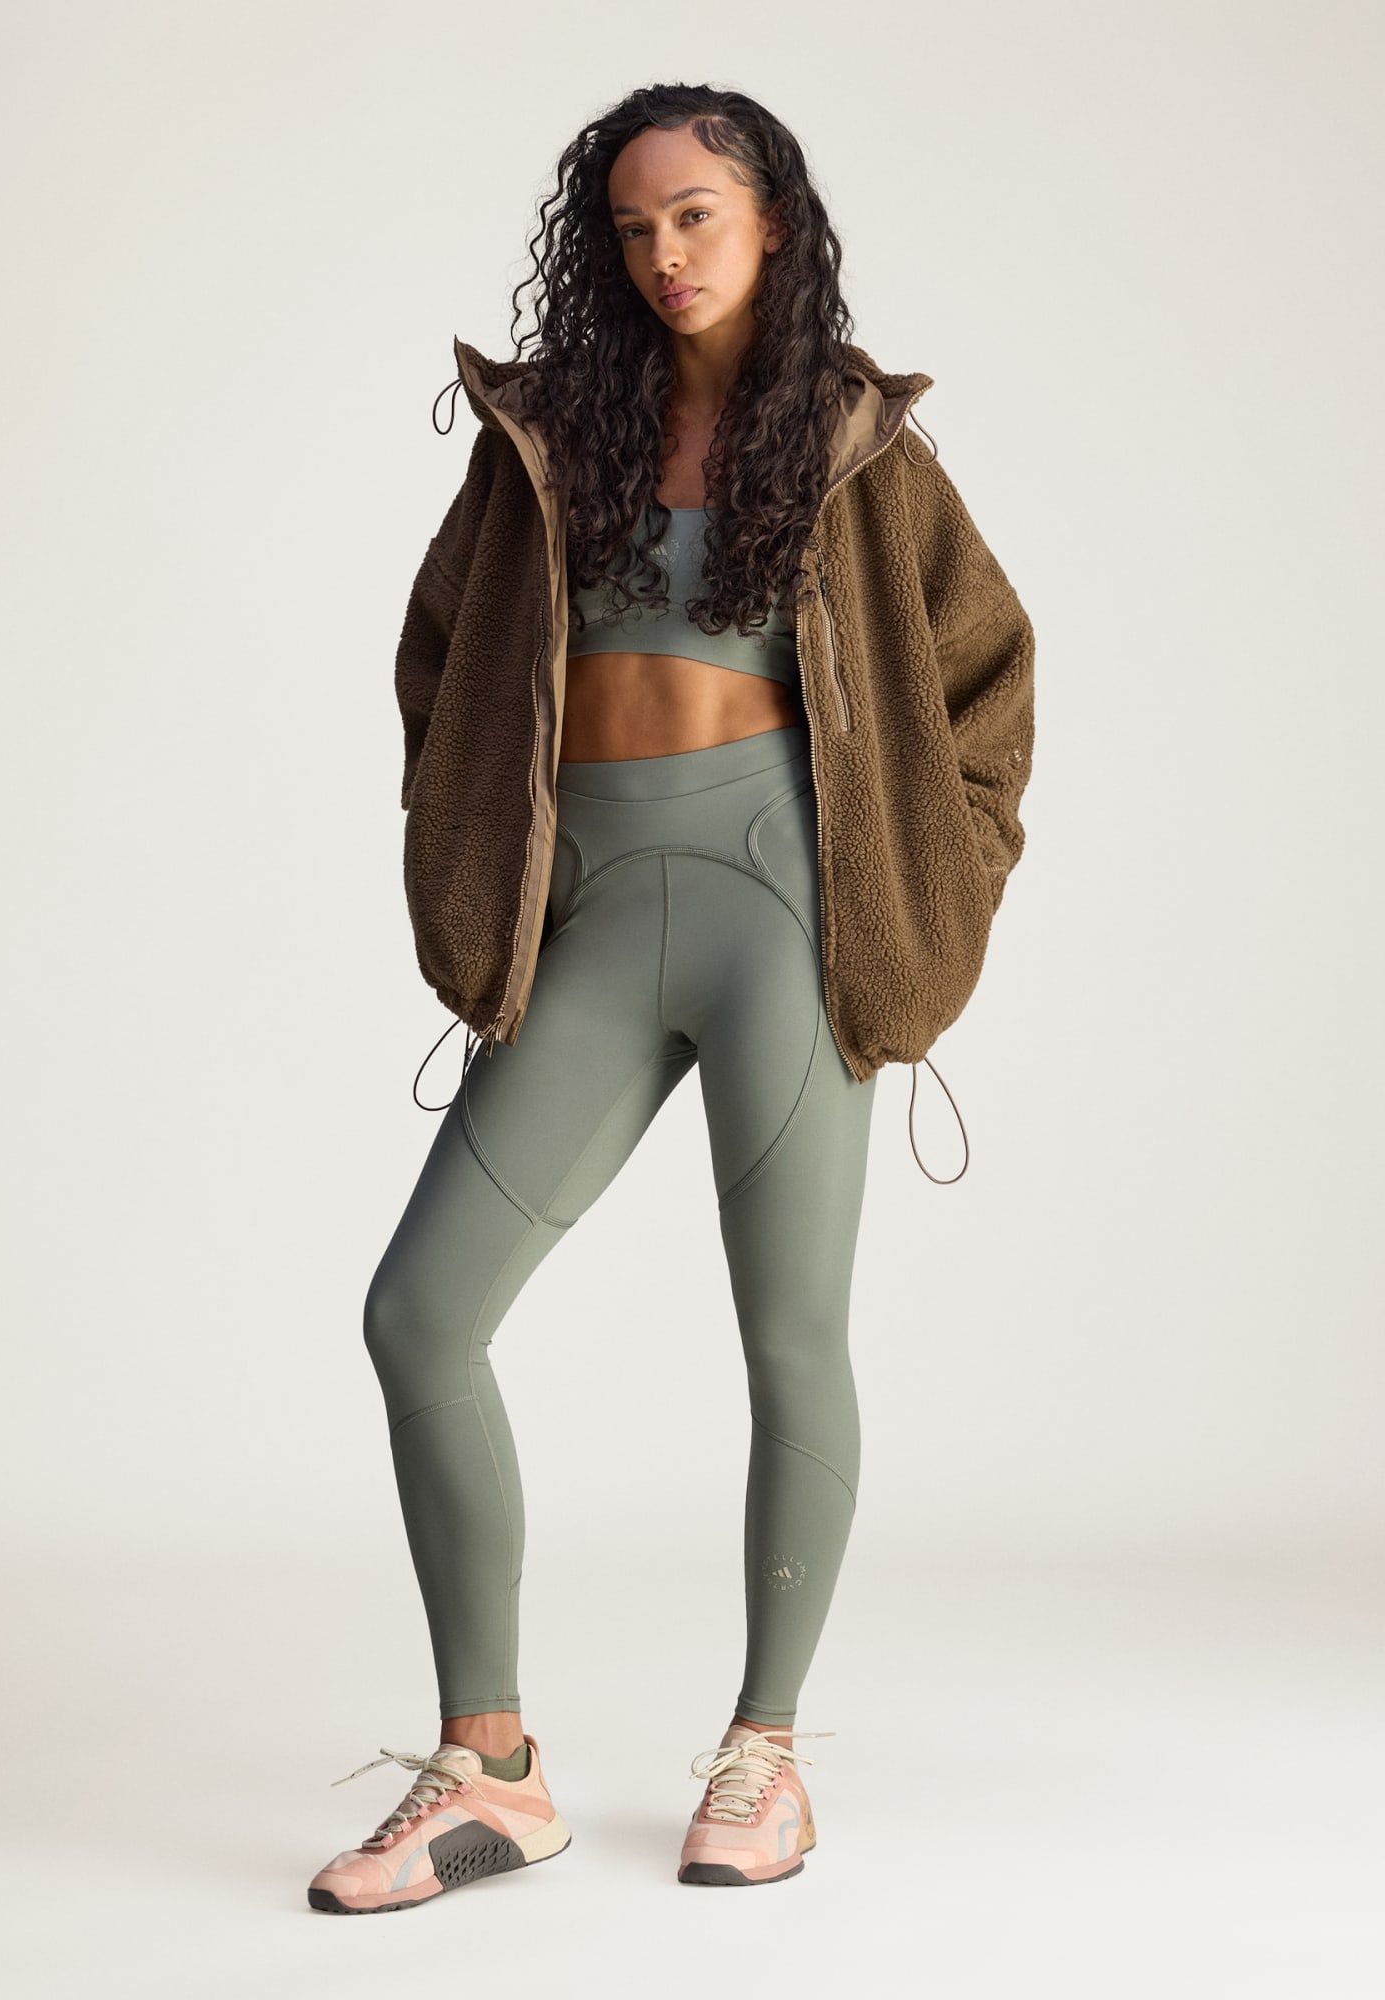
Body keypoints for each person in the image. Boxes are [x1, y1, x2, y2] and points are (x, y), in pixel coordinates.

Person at [309, 83, 1035, 1915]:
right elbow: (443, 658)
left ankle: (764, 1755)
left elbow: (990, 676)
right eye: (632, 227)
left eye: (696, 214)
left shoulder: (859, 447)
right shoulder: (550, 438)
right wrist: (482, 849)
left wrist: (929, 885)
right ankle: (492, 1770)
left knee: (789, 1340)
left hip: (789, 915)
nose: (664, 254)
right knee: (420, 1316)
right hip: (595, 915)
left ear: (772, 219)